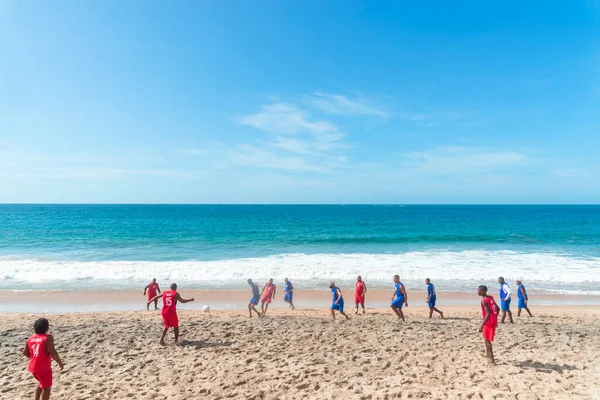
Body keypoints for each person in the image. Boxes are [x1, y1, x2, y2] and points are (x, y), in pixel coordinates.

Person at [23, 318, 64, 400]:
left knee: (42, 383)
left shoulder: (30, 339)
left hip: (32, 367)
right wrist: (60, 363)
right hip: (43, 368)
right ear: (47, 328)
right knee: (47, 388)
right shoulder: (48, 338)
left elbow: (25, 353)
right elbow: (53, 353)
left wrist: (35, 358)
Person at [478, 285, 499, 366]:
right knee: (486, 339)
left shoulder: (484, 300)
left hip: (488, 323)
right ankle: (488, 355)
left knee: (487, 340)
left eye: (479, 290)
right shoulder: (491, 297)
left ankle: (491, 360)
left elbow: (488, 314)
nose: (478, 292)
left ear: (483, 291)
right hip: (492, 321)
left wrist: (482, 325)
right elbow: (497, 309)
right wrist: (495, 319)